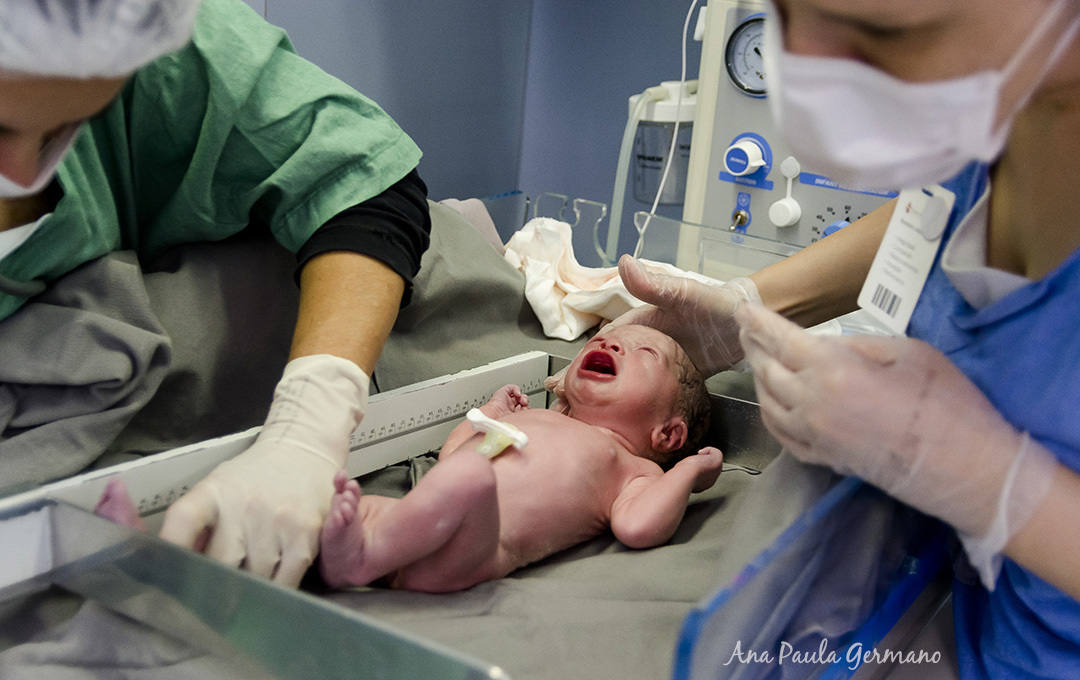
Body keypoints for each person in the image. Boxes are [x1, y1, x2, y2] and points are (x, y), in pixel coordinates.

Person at [596, 0, 1080, 680]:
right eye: (788, 10)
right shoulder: (1006, 106)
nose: (812, 67)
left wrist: (999, 486)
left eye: (886, 31)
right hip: (968, 638)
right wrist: (749, 307)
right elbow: (935, 210)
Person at [0, 0, 430, 587]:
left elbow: (368, 182)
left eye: (61, 131)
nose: (25, 173)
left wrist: (309, 426)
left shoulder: (135, 33)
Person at [313, 324, 720, 592]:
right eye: (598, 340)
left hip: (474, 549)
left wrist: (689, 472)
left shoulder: (634, 467)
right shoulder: (537, 416)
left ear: (667, 433)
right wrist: (491, 414)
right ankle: (353, 548)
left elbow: (637, 526)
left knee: (469, 477)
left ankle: (365, 559)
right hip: (423, 516)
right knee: (362, 504)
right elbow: (452, 454)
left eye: (644, 352)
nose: (609, 343)